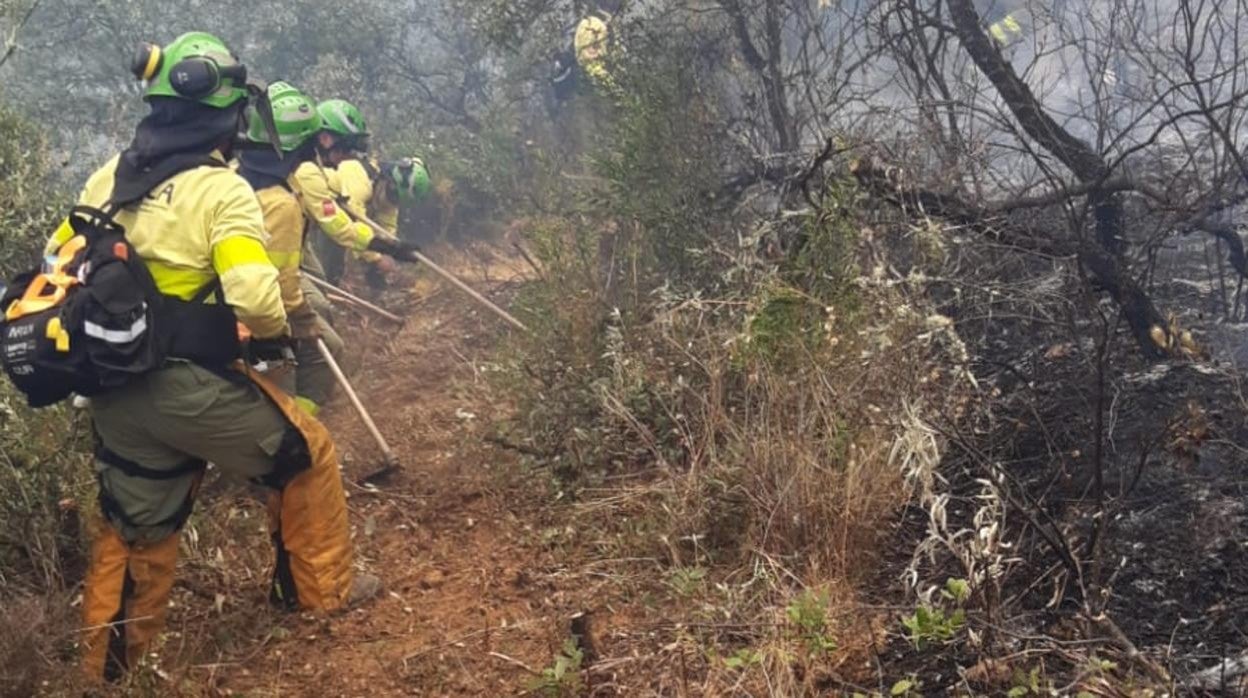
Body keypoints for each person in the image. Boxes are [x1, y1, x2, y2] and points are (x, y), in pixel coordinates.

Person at [56, 32, 379, 681]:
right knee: (305, 453)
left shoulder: (106, 179)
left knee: (136, 525)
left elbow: (57, 268)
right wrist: (262, 335)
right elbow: (258, 300)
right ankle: (319, 597)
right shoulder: (220, 189)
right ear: (226, 118)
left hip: (113, 389)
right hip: (188, 387)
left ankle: (108, 669)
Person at [237, 82, 345, 416]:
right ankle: (299, 429)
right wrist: (303, 320)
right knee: (326, 350)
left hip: (220, 308)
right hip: (257, 315)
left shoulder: (233, 177)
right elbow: (283, 281)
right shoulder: (280, 203)